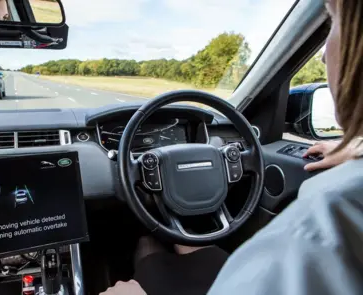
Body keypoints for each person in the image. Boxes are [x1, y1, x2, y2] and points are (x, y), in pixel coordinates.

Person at [101, 0, 363, 294]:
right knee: (189, 242)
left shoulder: (317, 233)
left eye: (333, 21)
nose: (324, 55)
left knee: (146, 243)